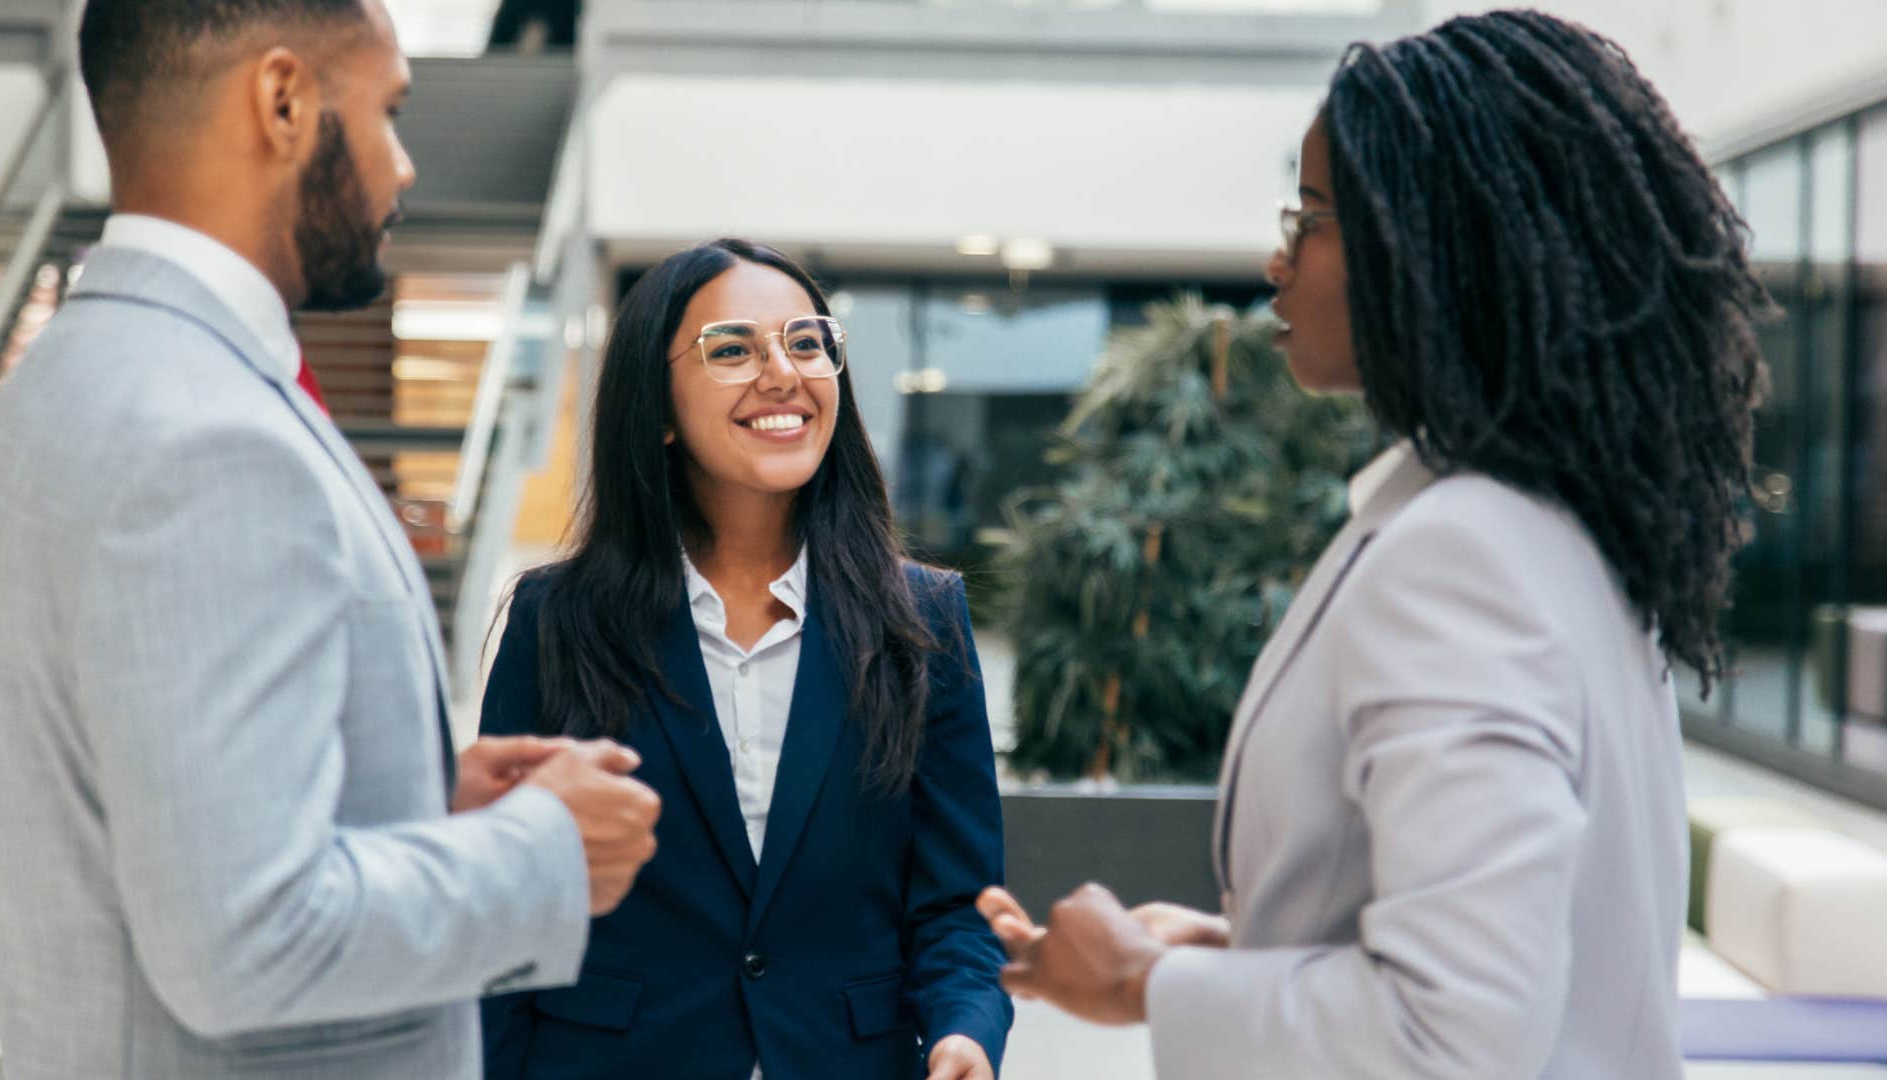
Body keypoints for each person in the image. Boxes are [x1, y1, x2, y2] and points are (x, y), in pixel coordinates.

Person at [979, 10, 1768, 1079]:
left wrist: (1140, 983)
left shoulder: (1466, 557)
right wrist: (1232, 956)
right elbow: (1526, 960)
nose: (1275, 258)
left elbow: (1454, 1034)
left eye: (1311, 218)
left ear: (1428, 247)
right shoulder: (1561, 532)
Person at [0, 2, 663, 1077]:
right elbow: (244, 941)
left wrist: (410, 797)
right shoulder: (202, 435)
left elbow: (137, 790)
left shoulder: (60, 384)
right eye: (390, 112)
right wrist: (543, 853)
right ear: (284, 99)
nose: (403, 167)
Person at [477, 239, 1011, 1080]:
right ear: (656, 407)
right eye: (733, 348)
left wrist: (963, 1032)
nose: (782, 373)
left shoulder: (923, 620)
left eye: (806, 341)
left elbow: (956, 906)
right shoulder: (557, 620)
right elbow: (506, 912)